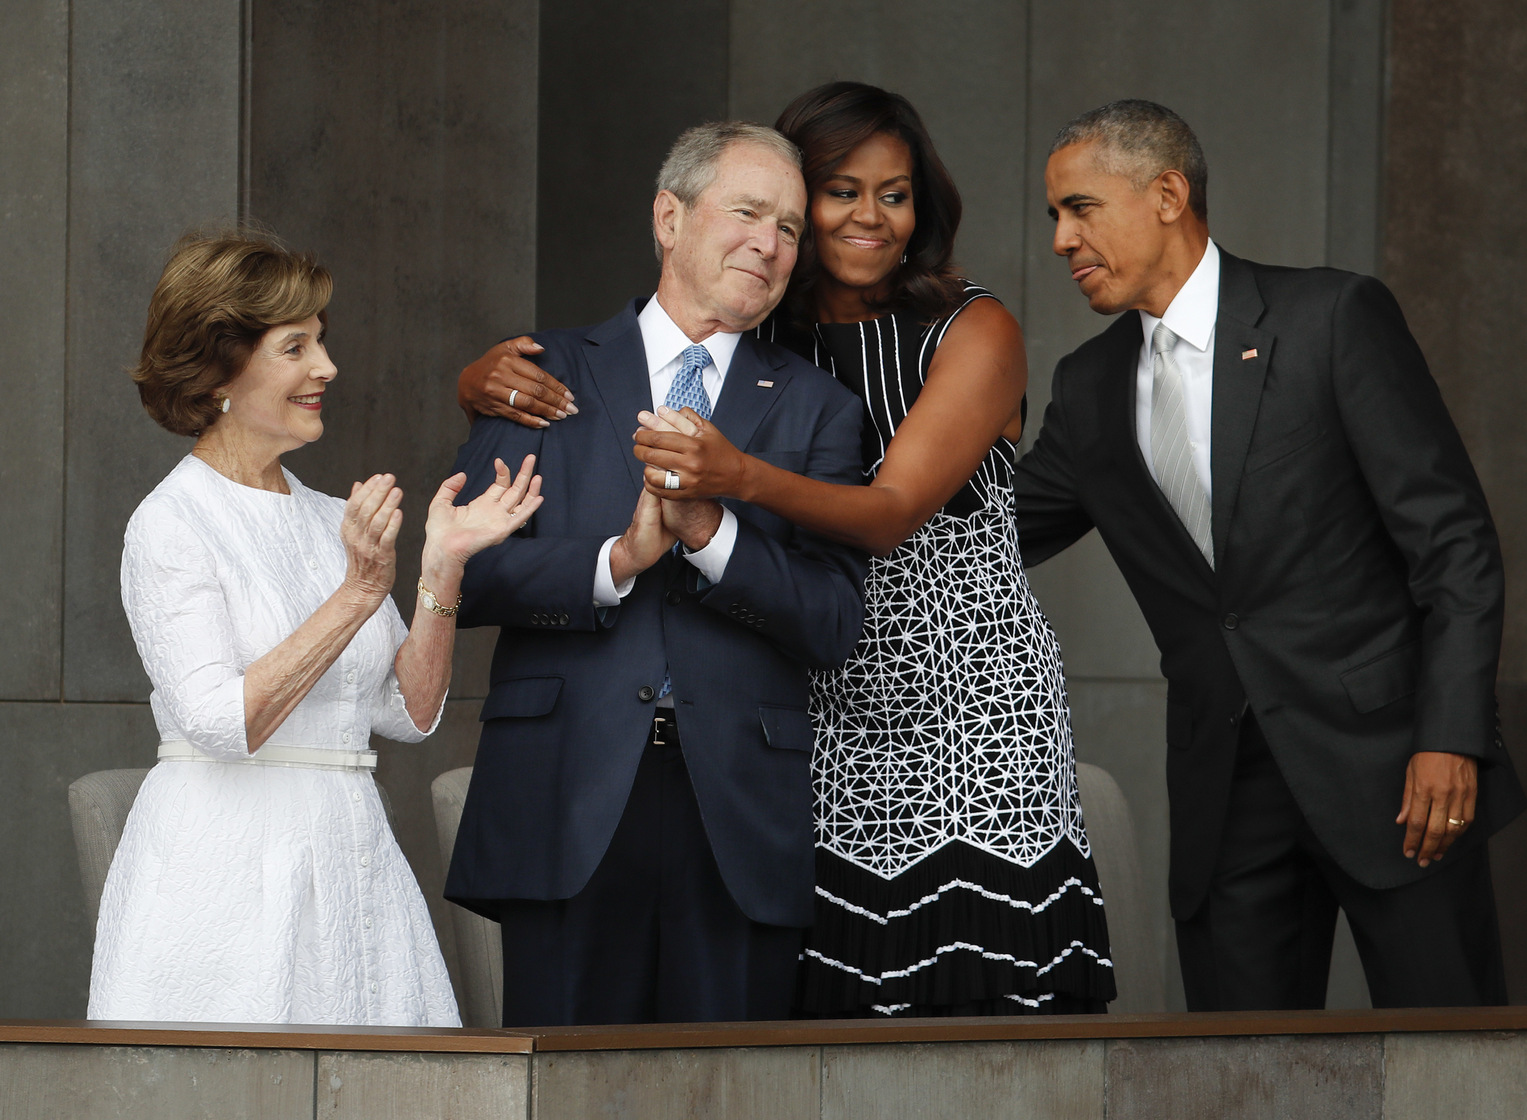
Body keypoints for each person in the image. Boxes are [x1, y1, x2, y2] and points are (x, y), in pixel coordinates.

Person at [461, 83, 1117, 1017]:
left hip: (962, 687)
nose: (865, 216)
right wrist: (479, 385)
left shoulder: (960, 330)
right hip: (819, 721)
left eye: (894, 194)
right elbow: (506, 512)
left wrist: (727, 495)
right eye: (834, 195)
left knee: (969, 985)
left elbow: (886, 513)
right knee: (839, 987)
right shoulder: (750, 325)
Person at [1013, 99, 1527, 1010]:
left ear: (1167, 193)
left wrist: (1450, 736)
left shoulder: (1332, 317)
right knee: (1236, 1081)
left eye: (1080, 207)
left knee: (1455, 1066)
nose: (1060, 238)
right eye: (1056, 215)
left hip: (1395, 768)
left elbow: (1454, 545)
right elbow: (990, 535)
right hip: (1227, 794)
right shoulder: (1088, 386)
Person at [441, 121, 868, 1027]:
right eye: (749, 211)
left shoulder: (821, 408)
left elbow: (834, 622)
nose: (771, 242)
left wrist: (713, 534)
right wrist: (613, 562)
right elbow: (466, 576)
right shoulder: (538, 374)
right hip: (565, 792)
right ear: (668, 218)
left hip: (739, 812)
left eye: (791, 228)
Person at [89, 231, 541, 1026]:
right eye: (295, 346)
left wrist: (440, 570)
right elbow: (222, 723)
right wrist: (360, 590)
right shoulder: (171, 524)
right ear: (220, 368)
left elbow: (409, 714)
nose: (326, 367)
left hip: (354, 853)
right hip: (226, 874)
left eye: (321, 342)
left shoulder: (332, 517)